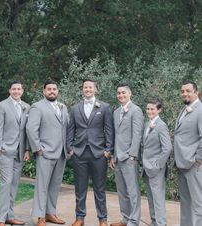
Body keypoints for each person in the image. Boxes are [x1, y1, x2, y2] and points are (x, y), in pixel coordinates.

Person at [67, 79, 114, 226]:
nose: (87, 89)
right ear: (82, 89)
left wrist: (108, 150)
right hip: (80, 153)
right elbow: (70, 130)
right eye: (85, 87)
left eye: (90, 87)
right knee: (80, 188)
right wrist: (70, 148)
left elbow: (109, 130)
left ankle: (102, 219)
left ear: (95, 89)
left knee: (99, 189)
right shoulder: (75, 108)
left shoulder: (104, 107)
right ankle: (80, 217)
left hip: (99, 153)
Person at [26, 80, 69, 226]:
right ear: (44, 91)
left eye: (54, 89)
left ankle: (50, 213)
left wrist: (69, 148)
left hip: (61, 153)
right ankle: (40, 216)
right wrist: (37, 148)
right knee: (42, 186)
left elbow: (66, 129)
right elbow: (31, 129)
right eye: (49, 89)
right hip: (44, 152)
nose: (52, 91)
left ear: (58, 92)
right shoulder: (37, 107)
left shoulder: (63, 107)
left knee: (55, 185)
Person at [0, 80, 30, 226]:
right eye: (13, 89)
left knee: (14, 184)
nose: (16, 91)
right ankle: (0, 219)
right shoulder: (1, 106)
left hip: (20, 152)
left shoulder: (26, 107)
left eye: (19, 89)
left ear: (22, 91)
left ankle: (10, 215)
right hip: (5, 151)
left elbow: (27, 131)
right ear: (10, 91)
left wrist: (27, 149)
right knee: (6, 183)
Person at [110, 83, 144, 226]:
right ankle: (125, 218)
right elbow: (115, 135)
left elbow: (137, 134)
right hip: (117, 157)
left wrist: (132, 155)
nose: (121, 95)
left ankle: (134, 221)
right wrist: (113, 156)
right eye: (118, 93)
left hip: (129, 157)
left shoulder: (136, 110)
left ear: (130, 94)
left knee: (133, 191)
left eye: (123, 93)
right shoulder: (116, 112)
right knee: (122, 191)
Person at [174, 80, 202, 226]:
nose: (184, 93)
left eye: (188, 91)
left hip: (194, 165)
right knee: (185, 203)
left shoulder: (200, 110)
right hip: (181, 163)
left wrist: (198, 159)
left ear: (196, 93)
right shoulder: (183, 110)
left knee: (198, 204)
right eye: (182, 91)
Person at [142, 99, 172, 226]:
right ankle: (154, 222)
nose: (149, 111)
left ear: (159, 110)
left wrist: (158, 165)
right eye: (148, 109)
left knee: (158, 198)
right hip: (146, 168)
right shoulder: (147, 124)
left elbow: (168, 148)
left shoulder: (161, 125)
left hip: (156, 169)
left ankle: (161, 223)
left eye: (152, 109)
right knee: (151, 198)